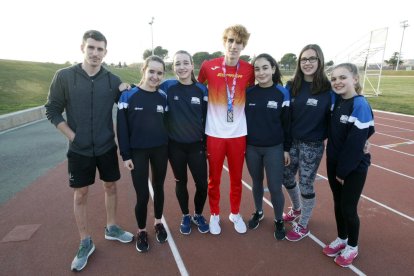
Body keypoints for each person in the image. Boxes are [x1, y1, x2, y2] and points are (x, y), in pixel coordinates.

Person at [44, 30, 133, 272]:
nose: (95, 53)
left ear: (106, 52)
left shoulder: (112, 80)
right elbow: (51, 110)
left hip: (105, 146)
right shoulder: (64, 76)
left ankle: (112, 227)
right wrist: (73, 136)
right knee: (80, 194)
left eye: (100, 49)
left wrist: (128, 86)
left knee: (111, 186)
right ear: (82, 47)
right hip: (79, 150)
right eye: (91, 48)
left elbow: (130, 100)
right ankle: (85, 242)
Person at [198, 24, 255, 235]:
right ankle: (214, 214)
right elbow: (194, 88)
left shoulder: (249, 70)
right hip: (214, 133)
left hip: (238, 134)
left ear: (243, 46)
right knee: (213, 179)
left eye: (238, 42)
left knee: (236, 178)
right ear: (225, 42)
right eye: (230, 41)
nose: (234, 46)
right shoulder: (208, 66)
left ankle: (235, 213)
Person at [323, 63, 374, 267]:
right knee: (338, 203)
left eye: (343, 77)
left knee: (348, 208)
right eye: (334, 79)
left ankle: (352, 246)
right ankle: (342, 238)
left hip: (353, 167)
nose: (337, 82)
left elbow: (356, 141)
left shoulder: (360, 104)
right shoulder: (336, 100)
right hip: (334, 162)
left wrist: (343, 171)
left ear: (355, 79)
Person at [117, 55, 169, 253]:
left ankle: (158, 222)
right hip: (137, 152)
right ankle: (141, 230)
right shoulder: (128, 96)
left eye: (159, 73)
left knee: (159, 187)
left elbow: (167, 124)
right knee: (142, 194)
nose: (155, 76)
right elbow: (122, 128)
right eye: (152, 71)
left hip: (160, 150)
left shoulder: (163, 97)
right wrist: (126, 155)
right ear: (144, 71)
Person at [282, 44, 334, 242]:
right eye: (304, 59)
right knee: (286, 177)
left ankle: (303, 224)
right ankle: (296, 209)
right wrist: (286, 146)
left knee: (305, 184)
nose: (308, 63)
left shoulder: (328, 90)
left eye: (312, 58)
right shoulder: (291, 85)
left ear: (319, 61)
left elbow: (338, 116)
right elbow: (285, 117)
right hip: (292, 143)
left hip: (312, 145)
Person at [158, 50, 209, 235]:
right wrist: (126, 86)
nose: (182, 67)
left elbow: (208, 116)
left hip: (196, 146)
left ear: (192, 65)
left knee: (202, 184)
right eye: (178, 63)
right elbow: (146, 87)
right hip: (176, 147)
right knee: (181, 182)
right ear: (173, 67)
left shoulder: (202, 89)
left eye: (185, 63)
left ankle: (198, 214)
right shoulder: (167, 87)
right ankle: (186, 215)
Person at [245, 54, 291, 240]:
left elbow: (287, 123)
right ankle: (259, 211)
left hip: (274, 148)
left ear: (273, 69)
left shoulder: (282, 93)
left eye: (265, 67)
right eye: (257, 69)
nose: (261, 72)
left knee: (274, 186)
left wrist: (286, 148)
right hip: (252, 148)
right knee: (256, 182)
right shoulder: (249, 93)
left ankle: (279, 219)